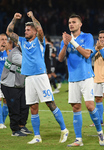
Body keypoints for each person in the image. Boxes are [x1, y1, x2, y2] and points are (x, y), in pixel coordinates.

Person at [6, 11, 69, 144]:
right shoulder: (22, 41)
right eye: (25, 29)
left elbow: (40, 28)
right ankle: (37, 136)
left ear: (34, 32)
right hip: (28, 78)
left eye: (28, 29)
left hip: (40, 77)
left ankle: (64, 130)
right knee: (33, 107)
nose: (26, 31)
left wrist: (33, 17)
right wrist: (14, 19)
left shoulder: (40, 41)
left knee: (50, 104)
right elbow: (9, 32)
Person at [58, 14, 104, 147]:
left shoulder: (87, 36)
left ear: (80, 24)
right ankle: (78, 140)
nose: (71, 24)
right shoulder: (65, 40)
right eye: (69, 22)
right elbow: (60, 59)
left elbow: (86, 54)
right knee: (76, 107)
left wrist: (72, 42)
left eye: (74, 22)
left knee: (90, 106)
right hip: (73, 78)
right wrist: (64, 45)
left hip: (86, 77)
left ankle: (100, 132)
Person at [1, 46, 32, 136]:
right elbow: (25, 63)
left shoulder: (25, 52)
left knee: (24, 106)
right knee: (14, 107)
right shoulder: (15, 53)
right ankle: (15, 130)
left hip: (20, 84)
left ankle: (21, 126)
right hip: (9, 85)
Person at [0, 33, 9, 129]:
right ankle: (1, 122)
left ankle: (2, 121)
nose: (4, 41)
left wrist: (6, 50)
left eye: (5, 39)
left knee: (6, 101)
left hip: (7, 81)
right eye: (2, 39)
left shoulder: (9, 52)